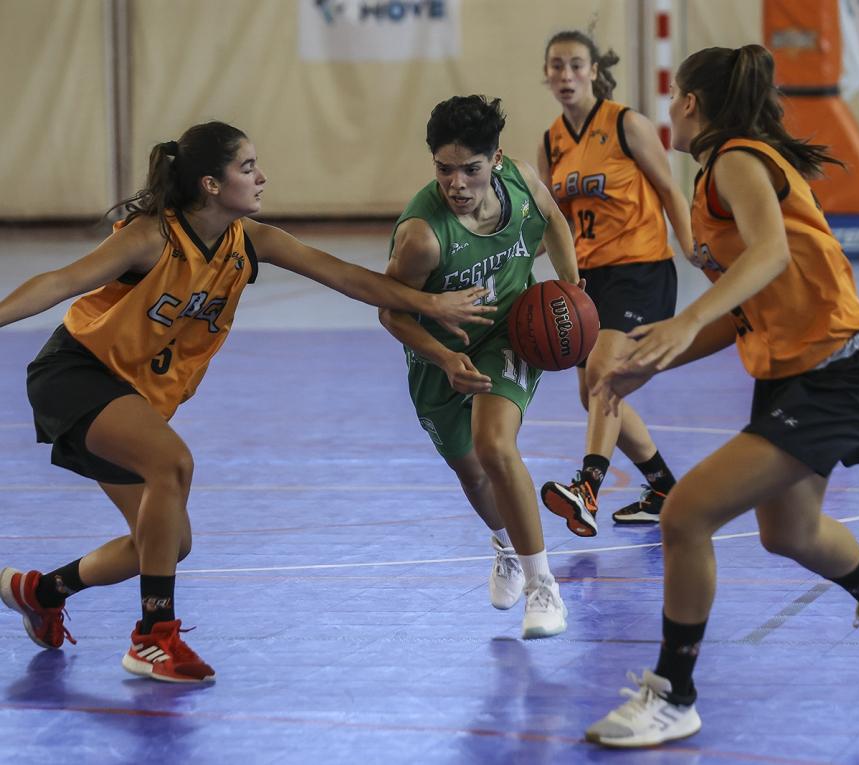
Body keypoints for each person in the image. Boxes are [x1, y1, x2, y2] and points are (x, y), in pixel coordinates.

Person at [0, 120, 494, 683]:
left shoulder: (251, 242)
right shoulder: (151, 236)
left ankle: (40, 591)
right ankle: (153, 639)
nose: (263, 177)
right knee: (173, 463)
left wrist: (430, 305)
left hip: (134, 395)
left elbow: (349, 278)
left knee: (164, 543)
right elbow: (61, 280)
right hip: (78, 373)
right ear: (211, 184)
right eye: (248, 167)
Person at [584, 45, 859, 747]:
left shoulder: (738, 160)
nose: (668, 110)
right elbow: (750, 306)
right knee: (789, 533)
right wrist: (662, 357)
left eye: (674, 97)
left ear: (690, 103)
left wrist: (685, 317)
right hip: (795, 369)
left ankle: (674, 693)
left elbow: (769, 254)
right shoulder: (718, 173)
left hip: (837, 368)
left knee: (685, 513)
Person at [379, 95, 580, 638]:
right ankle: (507, 545)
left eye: (471, 169)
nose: (457, 184)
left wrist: (570, 283)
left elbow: (554, 219)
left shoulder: (520, 181)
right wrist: (444, 357)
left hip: (513, 329)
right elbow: (391, 313)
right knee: (471, 470)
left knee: (494, 445)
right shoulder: (422, 236)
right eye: (444, 170)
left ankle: (544, 589)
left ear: (496, 159)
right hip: (440, 353)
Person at [536, 30, 693, 536]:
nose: (566, 75)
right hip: (586, 279)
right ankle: (665, 488)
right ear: (546, 74)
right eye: (556, 66)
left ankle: (587, 491)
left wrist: (691, 248)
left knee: (605, 374)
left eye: (575, 65)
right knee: (595, 394)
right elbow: (548, 222)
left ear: (593, 72)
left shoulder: (626, 123)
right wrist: (505, 261)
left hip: (640, 269)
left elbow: (670, 189)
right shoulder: (549, 142)